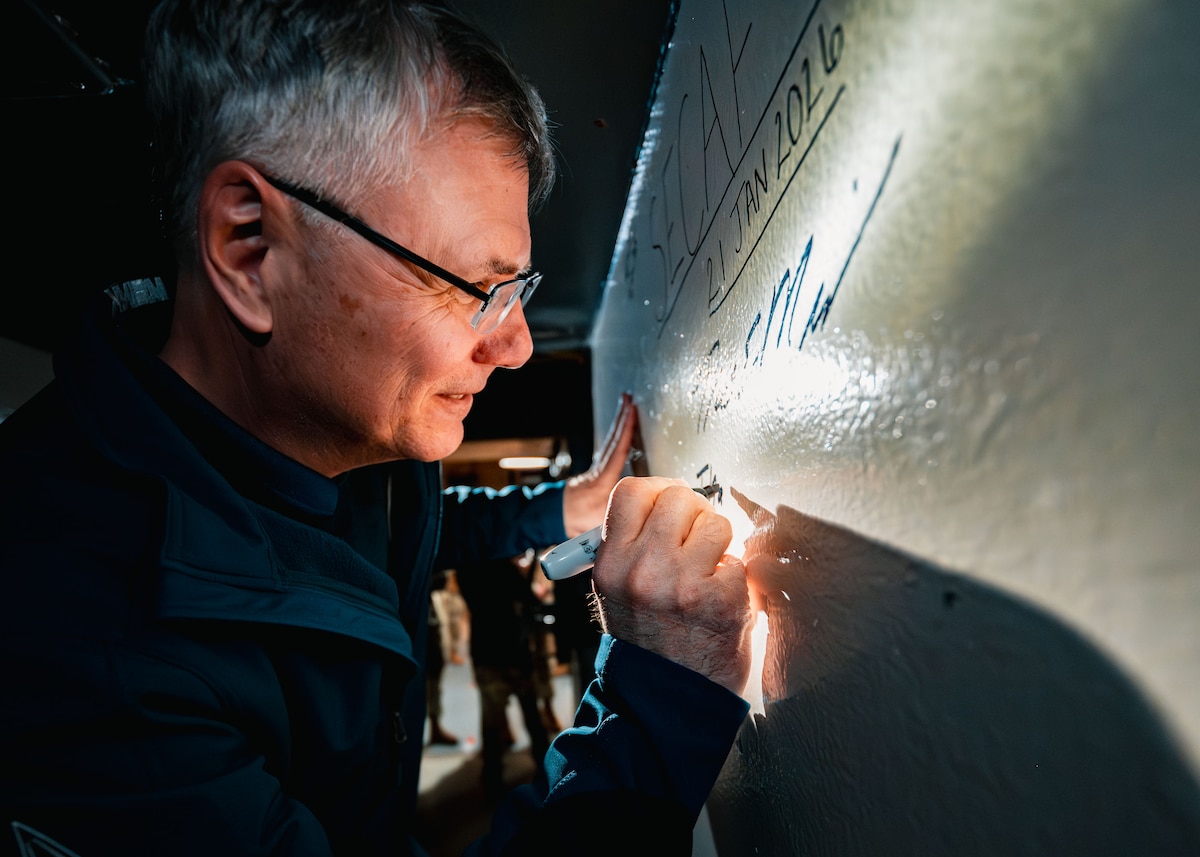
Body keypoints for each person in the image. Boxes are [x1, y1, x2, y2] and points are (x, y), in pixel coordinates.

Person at [0, 2, 753, 855]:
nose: (514, 346)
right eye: (477, 287)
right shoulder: (91, 662)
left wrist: (564, 509)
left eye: (518, 287)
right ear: (250, 248)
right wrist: (658, 701)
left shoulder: (331, 419)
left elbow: (413, 526)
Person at [455, 552, 552, 803]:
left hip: (486, 651)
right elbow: (528, 597)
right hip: (512, 648)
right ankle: (548, 770)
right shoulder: (503, 567)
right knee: (530, 712)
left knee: (491, 720)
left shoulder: (466, 569)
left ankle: (492, 779)